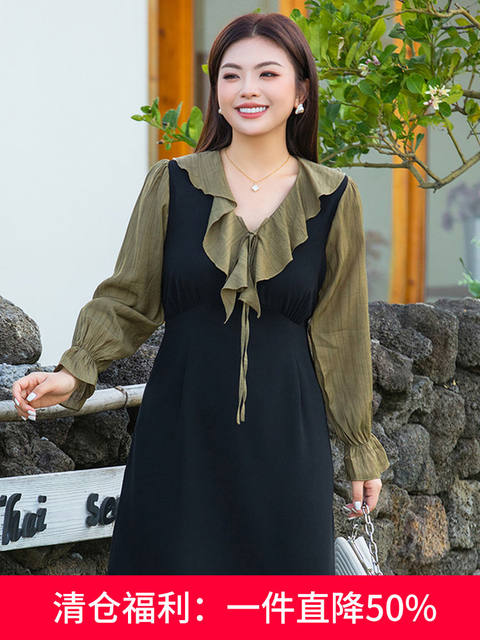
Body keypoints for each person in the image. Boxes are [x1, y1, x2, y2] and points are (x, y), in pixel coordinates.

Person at [11, 12, 389, 574]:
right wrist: (74, 369)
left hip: (288, 441)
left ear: (301, 92)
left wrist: (359, 446)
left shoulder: (334, 196)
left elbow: (341, 333)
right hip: (179, 432)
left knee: (279, 605)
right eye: (231, 75)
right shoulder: (172, 183)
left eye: (267, 74)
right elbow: (128, 299)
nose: (247, 89)